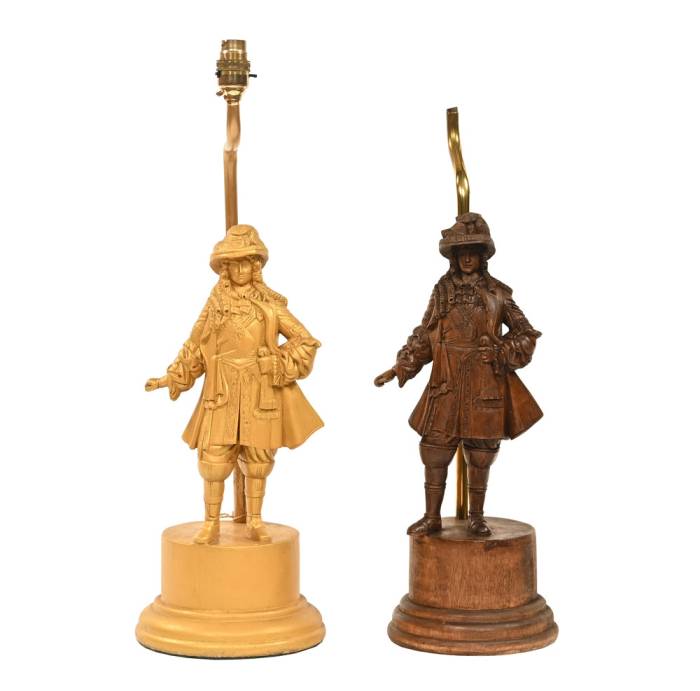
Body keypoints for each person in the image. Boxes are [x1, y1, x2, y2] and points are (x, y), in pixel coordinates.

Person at [146, 224, 322, 544]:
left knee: (258, 459)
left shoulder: (270, 306)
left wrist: (277, 363)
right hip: (221, 390)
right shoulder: (214, 307)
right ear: (225, 268)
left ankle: (254, 519)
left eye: (246, 263)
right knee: (213, 459)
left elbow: (305, 341)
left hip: (260, 391)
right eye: (234, 264)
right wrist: (172, 376)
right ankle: (211, 521)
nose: (241, 270)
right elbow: (195, 346)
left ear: (255, 266)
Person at [375, 212, 542, 536]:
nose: (467, 258)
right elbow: (425, 335)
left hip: (484, 382)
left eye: (473, 251)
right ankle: (432, 516)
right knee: (434, 450)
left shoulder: (498, 294)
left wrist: (501, 351)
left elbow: (526, 333)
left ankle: (476, 516)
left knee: (480, 454)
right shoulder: (441, 293)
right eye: (461, 252)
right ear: (453, 256)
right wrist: (401, 366)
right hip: (446, 383)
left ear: (482, 256)